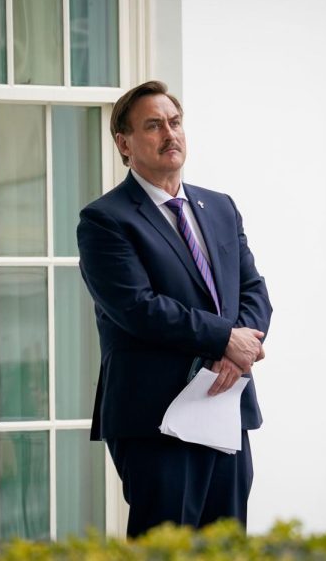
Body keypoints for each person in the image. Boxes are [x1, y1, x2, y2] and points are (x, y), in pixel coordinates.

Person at [77, 81, 272, 537]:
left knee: (226, 544)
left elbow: (253, 290)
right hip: (154, 417)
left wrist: (236, 348)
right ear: (124, 144)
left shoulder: (220, 207)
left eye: (175, 122)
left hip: (225, 402)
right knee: (166, 546)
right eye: (153, 125)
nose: (170, 134)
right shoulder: (106, 220)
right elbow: (137, 307)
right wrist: (224, 337)